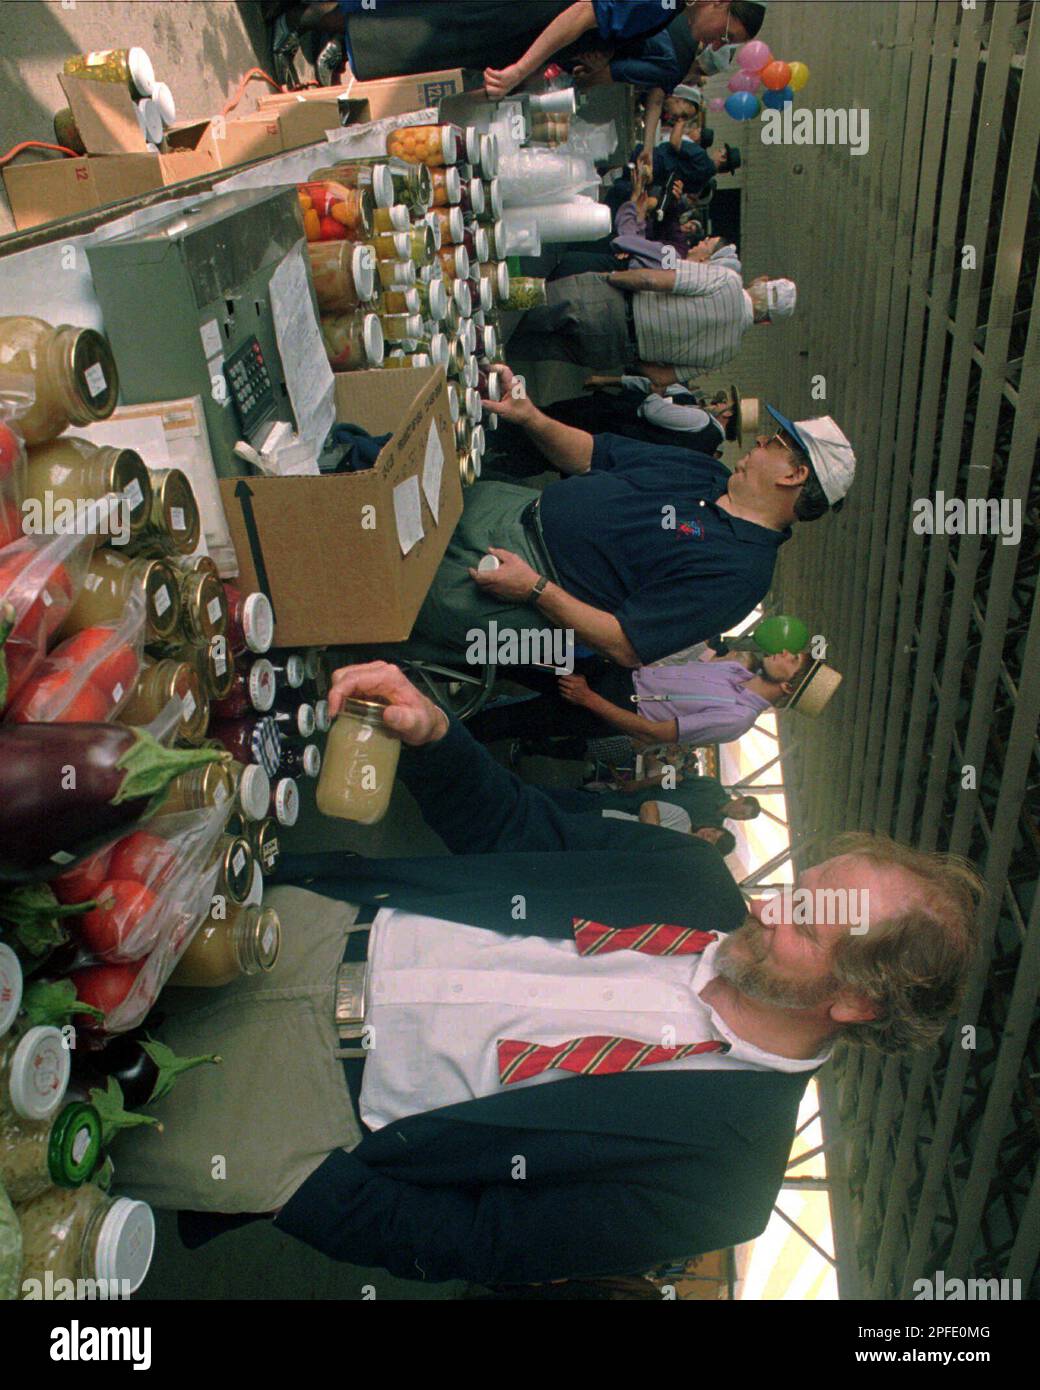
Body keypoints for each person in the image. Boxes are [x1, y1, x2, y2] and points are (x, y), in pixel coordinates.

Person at [111, 662, 981, 1285]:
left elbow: (488, 1241)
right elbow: (514, 825)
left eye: (809, 927)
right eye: (800, 890)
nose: (767, 907)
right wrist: (438, 734)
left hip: (298, 1111)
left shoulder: (725, 1181)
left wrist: (300, 1180)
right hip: (310, 926)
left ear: (856, 1001)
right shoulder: (688, 880)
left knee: (49, 1129)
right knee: (78, 942)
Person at [402, 375, 856, 670]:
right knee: (391, 501)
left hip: (512, 587)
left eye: (773, 442)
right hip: (508, 507)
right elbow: (593, 455)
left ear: (793, 475)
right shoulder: (708, 472)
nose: (758, 441)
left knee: (391, 594)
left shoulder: (741, 572)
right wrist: (532, 418)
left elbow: (626, 645)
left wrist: (534, 589)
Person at [465, 648, 842, 752]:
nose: (786, 651)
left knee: (510, 721)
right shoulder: (736, 672)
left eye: (793, 661)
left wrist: (589, 699)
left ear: (789, 688)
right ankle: (423, 662)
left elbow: (652, 732)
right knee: (512, 657)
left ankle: (426, 733)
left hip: (609, 706)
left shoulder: (736, 718)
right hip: (615, 674)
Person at [506, 259, 797, 386]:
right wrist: (635, 351)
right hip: (613, 352)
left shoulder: (727, 281)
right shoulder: (727, 353)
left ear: (761, 282)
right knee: (524, 348)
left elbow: (653, 279)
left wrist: (611, 278)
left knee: (523, 306)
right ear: (765, 322)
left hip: (611, 304)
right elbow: (661, 378)